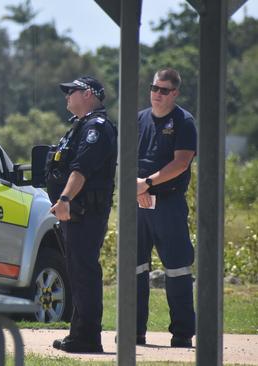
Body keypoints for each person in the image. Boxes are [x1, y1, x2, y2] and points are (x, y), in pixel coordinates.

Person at [47, 76, 117, 353]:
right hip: (76, 212)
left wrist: (64, 198)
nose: (67, 97)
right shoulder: (80, 126)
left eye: (71, 92)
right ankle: (79, 334)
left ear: (88, 94)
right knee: (77, 271)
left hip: (85, 212)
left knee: (84, 272)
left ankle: (88, 337)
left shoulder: (96, 128)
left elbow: (82, 169)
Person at [136, 68, 196, 348]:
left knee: (177, 269)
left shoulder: (184, 121)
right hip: (138, 204)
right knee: (134, 268)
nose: (157, 94)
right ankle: (133, 330)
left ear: (175, 93)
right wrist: (137, 190)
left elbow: (181, 163)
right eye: (154, 88)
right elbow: (125, 157)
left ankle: (182, 334)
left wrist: (147, 183)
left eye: (164, 90)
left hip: (168, 204)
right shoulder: (139, 119)